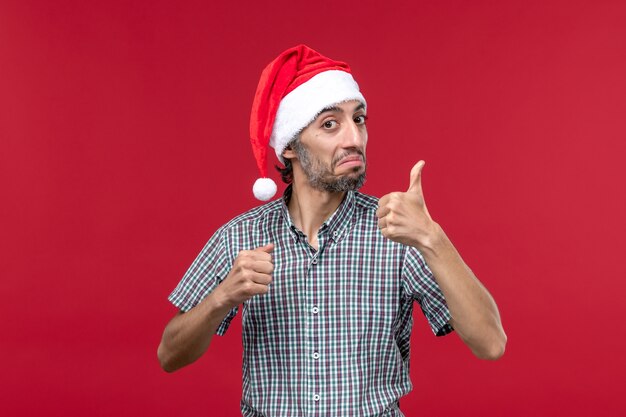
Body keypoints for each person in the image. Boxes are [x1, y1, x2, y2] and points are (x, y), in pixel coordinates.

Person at [157, 44, 507, 417]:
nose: (354, 139)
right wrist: (221, 298)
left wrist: (432, 237)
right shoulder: (239, 237)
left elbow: (491, 344)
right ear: (290, 146)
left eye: (359, 119)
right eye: (330, 124)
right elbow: (169, 355)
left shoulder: (399, 232)